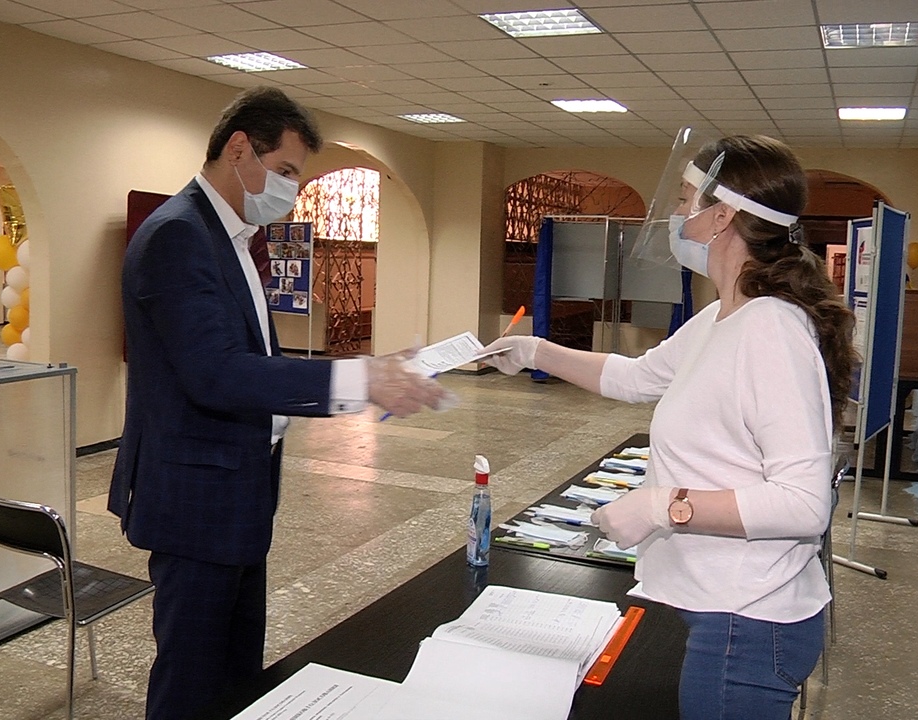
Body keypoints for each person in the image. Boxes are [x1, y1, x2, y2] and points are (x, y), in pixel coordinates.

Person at [483, 134, 856, 720]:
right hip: (722, 606)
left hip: (748, 622)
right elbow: (637, 377)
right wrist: (535, 351)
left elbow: (803, 504)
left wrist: (664, 506)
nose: (677, 215)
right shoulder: (722, 316)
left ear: (722, 216)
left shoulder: (770, 330)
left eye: (685, 200)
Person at [108, 87, 446, 720]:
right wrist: (356, 381)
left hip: (240, 488)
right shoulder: (179, 235)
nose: (291, 189)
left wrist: (364, 373)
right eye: (286, 170)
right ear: (239, 149)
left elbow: (254, 355)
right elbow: (215, 374)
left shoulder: (232, 236)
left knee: (237, 675)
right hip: (196, 499)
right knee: (190, 681)